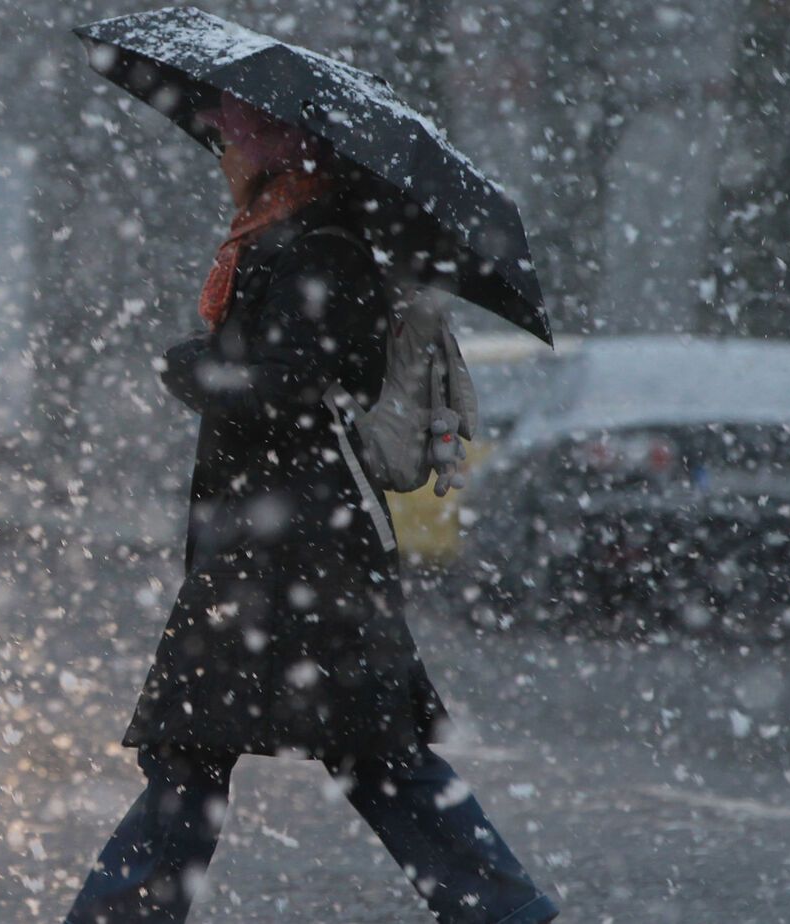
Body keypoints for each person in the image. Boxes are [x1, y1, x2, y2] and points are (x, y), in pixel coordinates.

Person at [62, 92, 559, 924]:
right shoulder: (284, 238)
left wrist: (195, 367)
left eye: (242, 125)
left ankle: (504, 910)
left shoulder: (320, 248)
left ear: (289, 141)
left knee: (244, 754)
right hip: (283, 542)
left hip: (295, 548)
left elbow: (291, 384)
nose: (225, 136)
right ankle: (503, 910)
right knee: (341, 755)